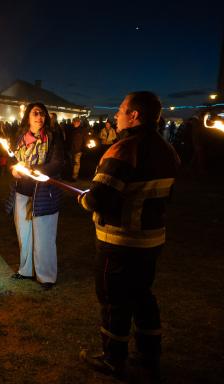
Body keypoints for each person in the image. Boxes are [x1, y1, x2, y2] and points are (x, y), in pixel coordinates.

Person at [78, 92, 180, 378]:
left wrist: (86, 200)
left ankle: (113, 356)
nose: (117, 114)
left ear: (135, 115)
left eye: (122, 109)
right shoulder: (166, 149)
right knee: (142, 295)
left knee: (114, 298)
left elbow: (100, 197)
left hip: (120, 241)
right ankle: (149, 354)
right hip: (152, 240)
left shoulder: (124, 150)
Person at [10, 103, 65, 290]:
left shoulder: (53, 137)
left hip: (44, 192)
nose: (39, 117)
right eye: (35, 113)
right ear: (28, 117)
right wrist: (13, 169)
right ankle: (26, 270)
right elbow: (12, 158)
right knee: (24, 233)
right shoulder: (20, 137)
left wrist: (34, 170)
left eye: (42, 114)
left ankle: (46, 276)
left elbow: (57, 163)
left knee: (44, 235)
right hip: (22, 190)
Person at [66, 116, 88, 181]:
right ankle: (70, 174)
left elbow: (85, 140)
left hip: (78, 149)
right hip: (70, 149)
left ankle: (74, 176)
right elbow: (67, 139)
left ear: (79, 122)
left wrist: (83, 148)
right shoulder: (70, 129)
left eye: (77, 121)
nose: (75, 123)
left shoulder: (82, 130)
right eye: (74, 121)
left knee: (76, 163)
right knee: (71, 163)